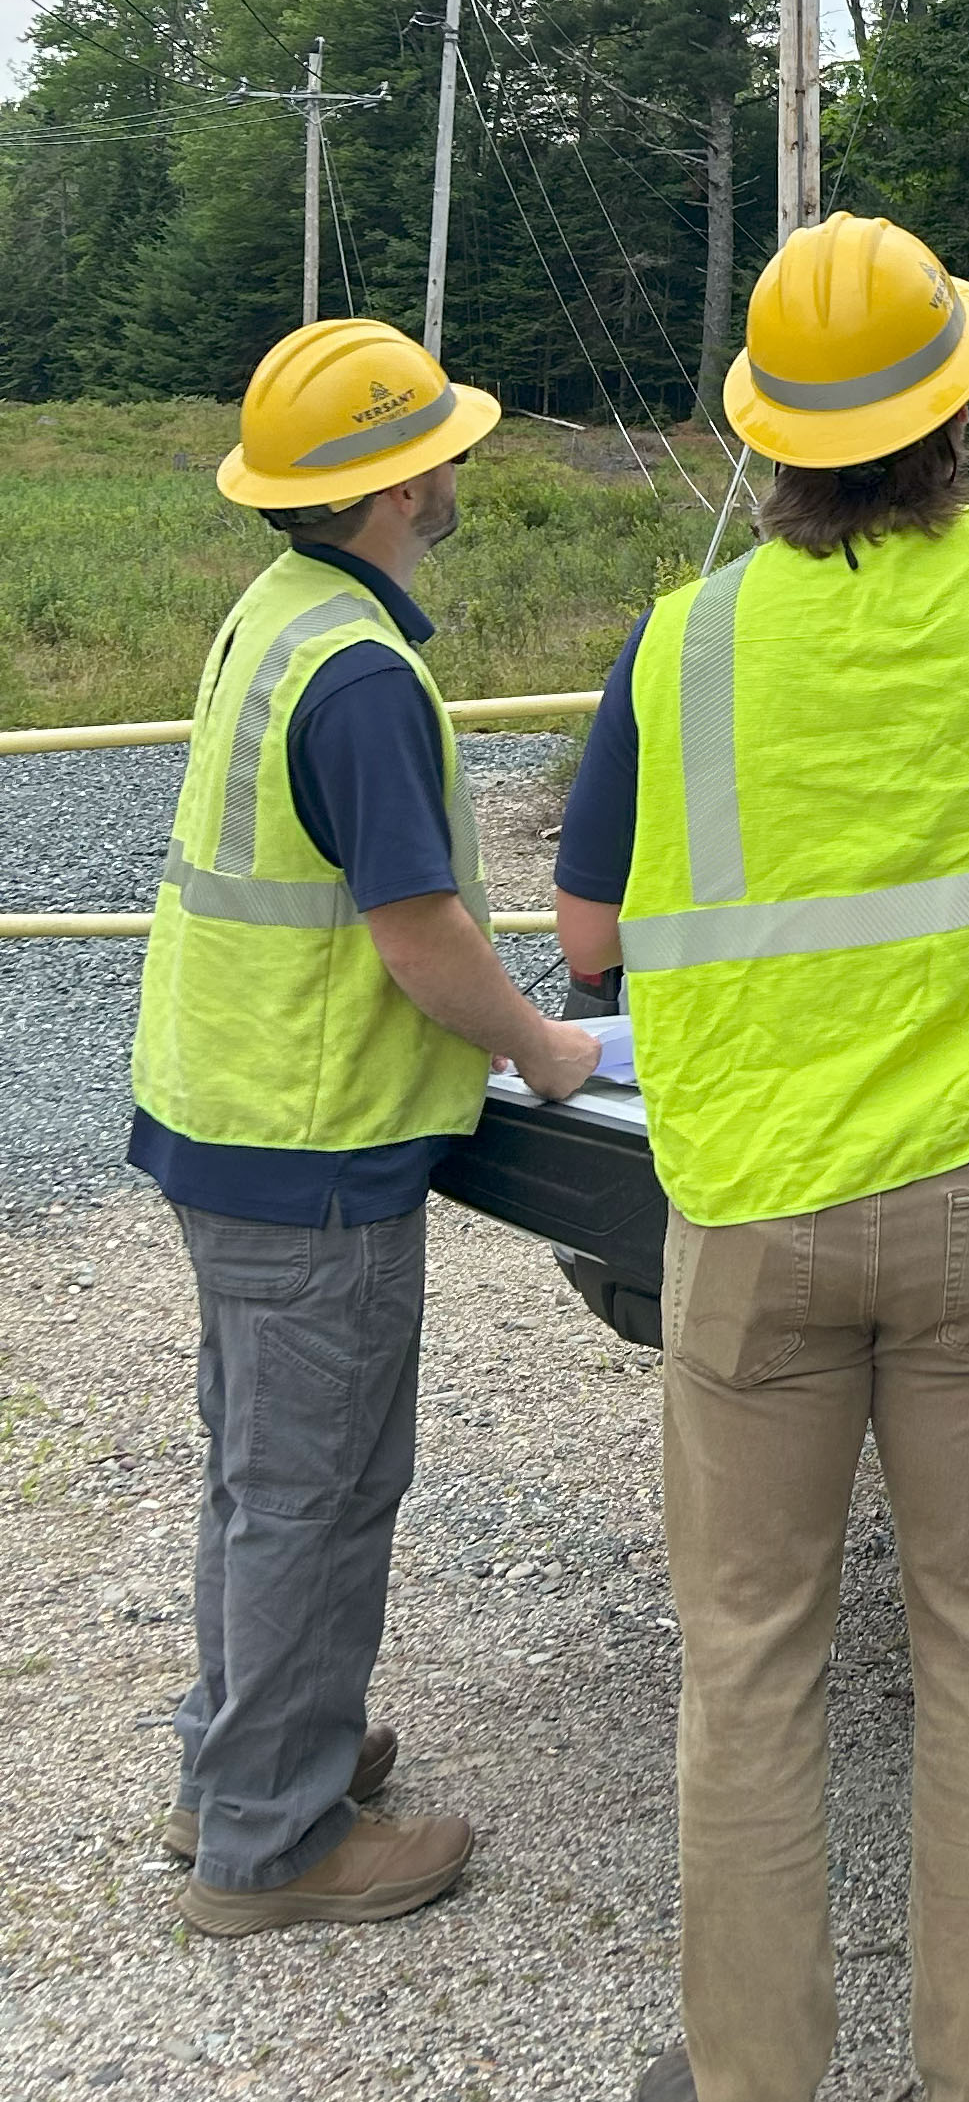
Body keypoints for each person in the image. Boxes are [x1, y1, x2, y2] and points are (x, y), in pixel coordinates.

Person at [552, 210, 969, 2102]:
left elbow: (585, 942)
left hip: (751, 1224)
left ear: (774, 435)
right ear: (954, 412)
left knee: (749, 1676)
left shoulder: (680, 643)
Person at [132, 318, 603, 1939]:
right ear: (401, 481)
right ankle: (271, 1842)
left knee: (263, 1479)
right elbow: (419, 936)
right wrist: (544, 1045)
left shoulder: (280, 613)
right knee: (319, 1489)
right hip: (310, 1151)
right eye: (449, 442)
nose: (464, 459)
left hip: (233, 1118)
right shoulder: (360, 678)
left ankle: (243, 1763)